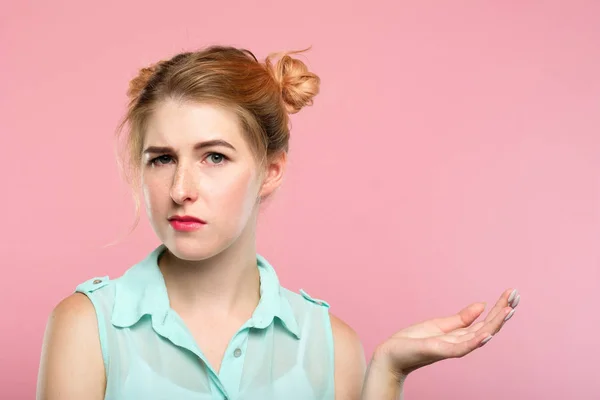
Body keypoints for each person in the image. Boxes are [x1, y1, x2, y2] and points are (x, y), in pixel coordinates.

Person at [36, 45, 520, 400]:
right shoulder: (87, 328)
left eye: (215, 158)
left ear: (271, 170)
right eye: (162, 159)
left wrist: (387, 377)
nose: (181, 188)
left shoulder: (332, 345)